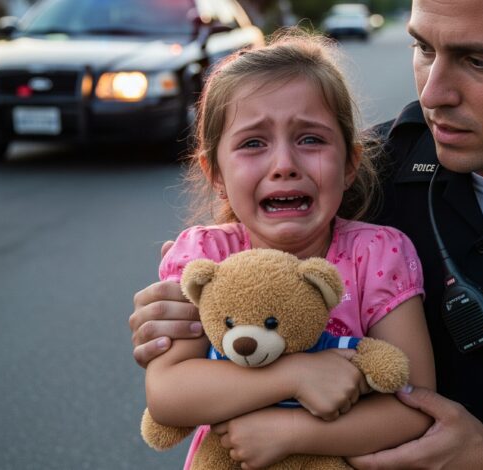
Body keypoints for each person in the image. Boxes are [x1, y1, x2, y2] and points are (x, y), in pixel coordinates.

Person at [131, 0, 483, 468]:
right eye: (423, 48)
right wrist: (175, 316)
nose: (433, 94)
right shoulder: (362, 175)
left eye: (479, 61)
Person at [142, 31, 436, 469]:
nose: (284, 165)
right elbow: (168, 396)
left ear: (350, 163)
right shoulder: (205, 256)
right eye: (253, 143)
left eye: (311, 140)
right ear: (216, 172)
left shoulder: (377, 254)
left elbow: (416, 404)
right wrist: (294, 376)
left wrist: (294, 434)